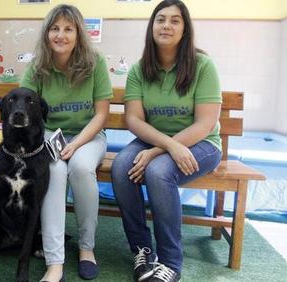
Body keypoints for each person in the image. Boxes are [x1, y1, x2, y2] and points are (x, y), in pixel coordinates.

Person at [111, 1, 222, 281]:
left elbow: (205, 123)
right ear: (152, 27)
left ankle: (171, 262)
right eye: (160, 19)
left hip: (202, 143)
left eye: (175, 21)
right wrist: (165, 146)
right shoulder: (139, 70)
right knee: (121, 166)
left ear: (185, 29)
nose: (166, 26)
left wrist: (161, 150)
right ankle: (142, 250)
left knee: (158, 171)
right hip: (157, 140)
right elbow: (134, 120)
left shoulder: (203, 66)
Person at [20, 4, 113, 281]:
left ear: (79, 33)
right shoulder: (36, 66)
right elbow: (27, 112)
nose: (61, 35)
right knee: (55, 171)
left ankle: (87, 249)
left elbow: (101, 114)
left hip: (89, 136)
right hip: (49, 136)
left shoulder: (95, 62)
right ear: (47, 33)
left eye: (68, 29)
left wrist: (77, 144)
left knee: (82, 169)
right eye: (55, 28)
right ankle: (54, 261)